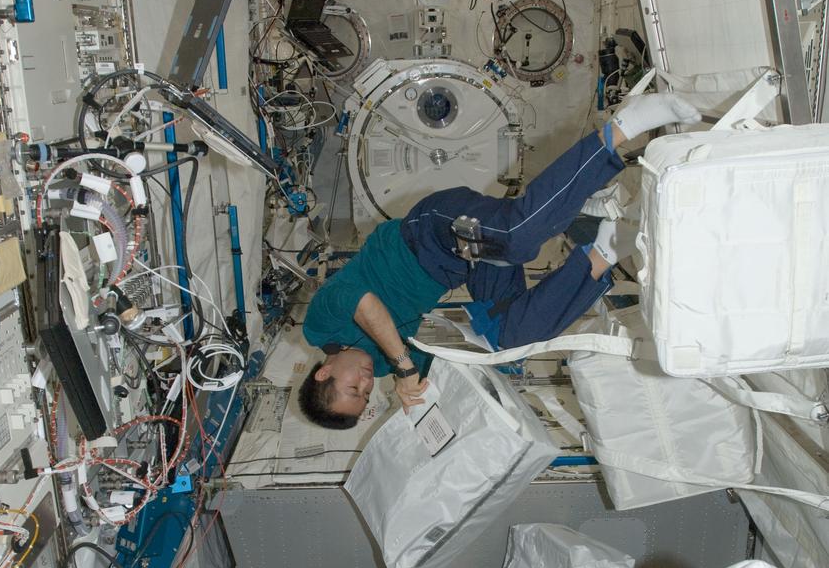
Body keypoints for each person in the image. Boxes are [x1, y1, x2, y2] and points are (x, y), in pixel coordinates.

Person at [298, 92, 700, 428]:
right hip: (466, 265)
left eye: (354, 388)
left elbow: (365, 304)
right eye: (365, 395)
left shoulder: (320, 326)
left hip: (427, 233)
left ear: (324, 373)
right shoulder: (385, 367)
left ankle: (622, 128)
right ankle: (606, 249)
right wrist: (426, 404)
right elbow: (441, 364)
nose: (367, 383)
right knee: (512, 338)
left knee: (515, 239)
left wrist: (403, 367)